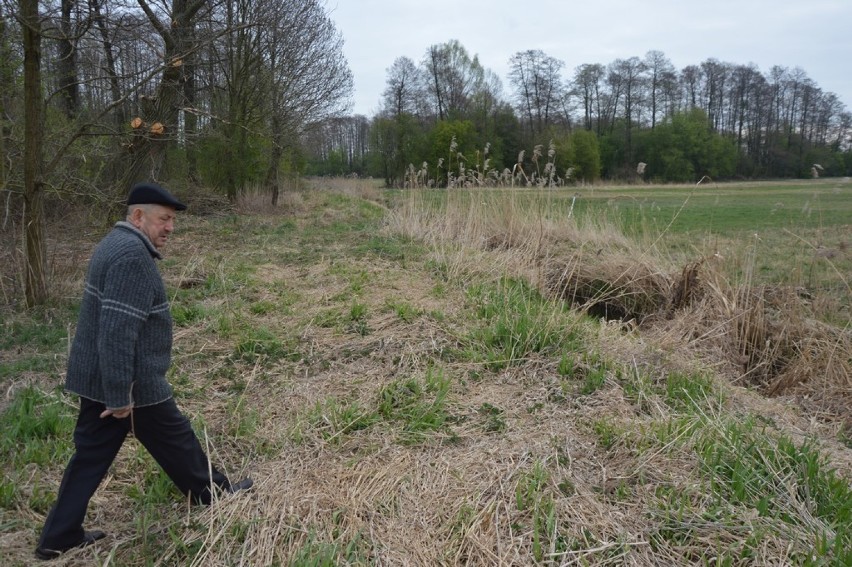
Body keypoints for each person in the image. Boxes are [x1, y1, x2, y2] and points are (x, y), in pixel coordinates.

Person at [35, 182, 252, 561]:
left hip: (103, 378)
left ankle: (59, 535)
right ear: (138, 216)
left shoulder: (113, 244)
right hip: (129, 383)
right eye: (163, 219)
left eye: (172, 221)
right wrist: (121, 397)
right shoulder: (132, 257)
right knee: (175, 437)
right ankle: (213, 494)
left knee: (93, 456)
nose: (170, 228)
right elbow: (117, 331)